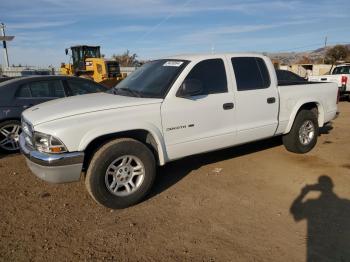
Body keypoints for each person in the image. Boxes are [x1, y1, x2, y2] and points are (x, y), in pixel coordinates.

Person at [290, 176, 350, 262]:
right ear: (332, 186)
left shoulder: (311, 204)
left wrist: (303, 193)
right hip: (340, 252)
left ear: (318, 187)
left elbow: (294, 211)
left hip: (317, 253)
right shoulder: (346, 203)